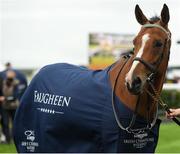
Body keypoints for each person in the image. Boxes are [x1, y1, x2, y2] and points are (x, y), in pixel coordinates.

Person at [1, 70, 20, 143]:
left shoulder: (16, 83)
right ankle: (8, 139)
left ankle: (14, 138)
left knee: (14, 123)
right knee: (5, 123)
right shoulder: (3, 82)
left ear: (14, 75)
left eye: (11, 74)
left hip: (14, 106)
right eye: (8, 74)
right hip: (5, 106)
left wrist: (5, 98)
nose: (9, 75)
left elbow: (15, 96)